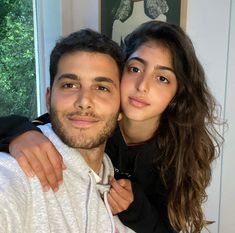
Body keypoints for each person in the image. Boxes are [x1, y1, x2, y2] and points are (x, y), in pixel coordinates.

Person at [0, 21, 223, 233]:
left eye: (162, 78)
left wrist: (135, 208)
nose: (142, 86)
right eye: (135, 69)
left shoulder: (178, 151)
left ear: (177, 93)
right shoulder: (88, 120)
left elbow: (169, 227)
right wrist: (19, 133)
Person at [0, 28, 136, 233]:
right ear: (48, 99)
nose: (84, 102)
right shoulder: (17, 171)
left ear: (120, 109)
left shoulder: (117, 183)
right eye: (70, 85)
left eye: (102, 88)